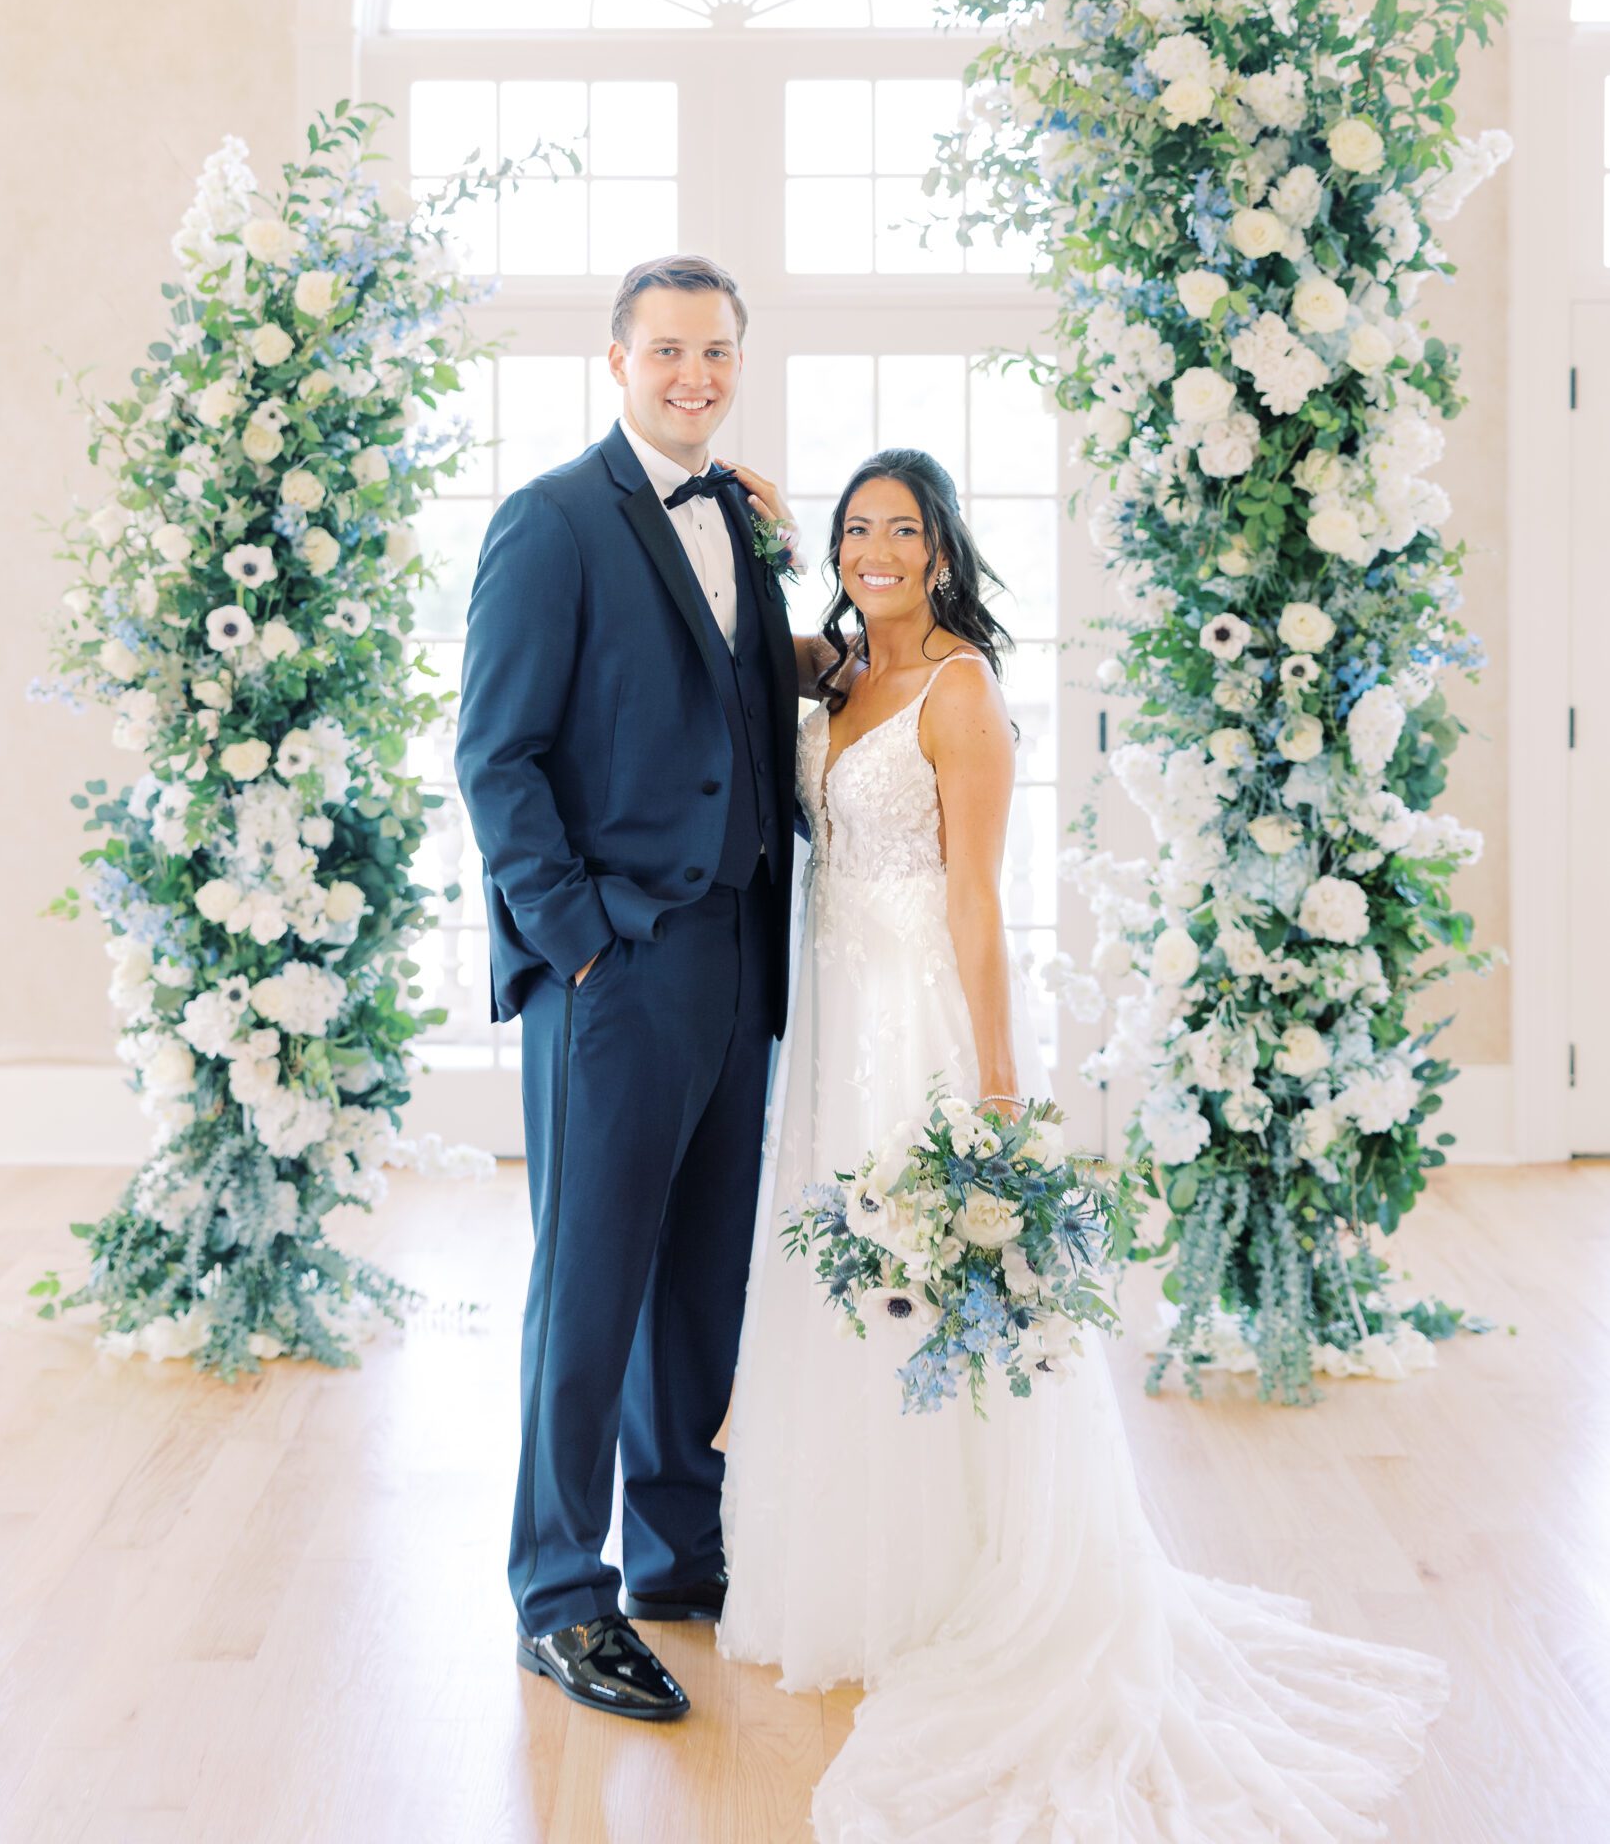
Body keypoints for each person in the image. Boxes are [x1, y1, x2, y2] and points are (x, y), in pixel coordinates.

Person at [717, 446, 1448, 1842]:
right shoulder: (836, 670)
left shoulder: (961, 689)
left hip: (921, 1024)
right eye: (857, 529)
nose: (876, 550)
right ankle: (860, 1572)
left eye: (902, 532)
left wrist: (996, 1091)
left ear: (942, 551)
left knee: (934, 1280)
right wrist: (749, 521)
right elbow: (741, 627)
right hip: (832, 1023)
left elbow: (980, 907)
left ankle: (959, 1579)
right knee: (841, 1285)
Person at [455, 253, 800, 1723]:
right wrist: (580, 935)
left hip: (738, 949)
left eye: (716, 352)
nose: (695, 377)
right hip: (615, 964)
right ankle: (559, 1592)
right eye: (667, 351)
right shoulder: (550, 520)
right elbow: (497, 757)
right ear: (616, 361)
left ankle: (677, 1551)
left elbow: (738, 707)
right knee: (588, 1287)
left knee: (701, 1279)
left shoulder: (741, 515)